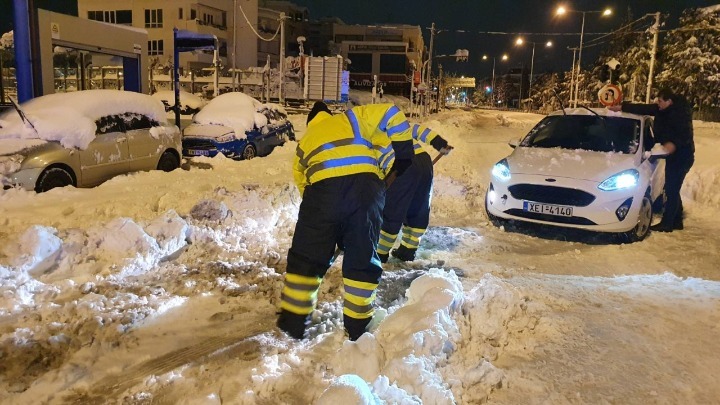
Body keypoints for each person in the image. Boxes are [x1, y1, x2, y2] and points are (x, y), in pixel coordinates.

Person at [277, 101, 414, 341]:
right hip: (365, 191)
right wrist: (403, 154)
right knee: (362, 258)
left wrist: (325, 222)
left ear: (311, 122)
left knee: (306, 258)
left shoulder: (304, 143)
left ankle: (293, 323)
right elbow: (391, 113)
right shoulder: (352, 119)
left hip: (322, 195)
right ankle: (358, 327)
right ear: (329, 115)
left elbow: (303, 186)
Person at [608, 88, 695, 232]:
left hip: (682, 157)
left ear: (669, 101)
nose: (658, 104)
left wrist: (673, 144)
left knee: (671, 189)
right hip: (672, 155)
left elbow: (685, 134)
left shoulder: (680, 114)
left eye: (660, 101)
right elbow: (644, 108)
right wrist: (621, 107)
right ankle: (677, 220)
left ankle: (667, 224)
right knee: (673, 188)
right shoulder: (663, 109)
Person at [375, 123, 452, 262]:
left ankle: (380, 254)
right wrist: (440, 143)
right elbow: (419, 130)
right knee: (419, 207)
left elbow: (375, 174)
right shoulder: (393, 126)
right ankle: (407, 250)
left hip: (400, 166)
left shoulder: (368, 142)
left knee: (392, 210)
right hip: (424, 161)